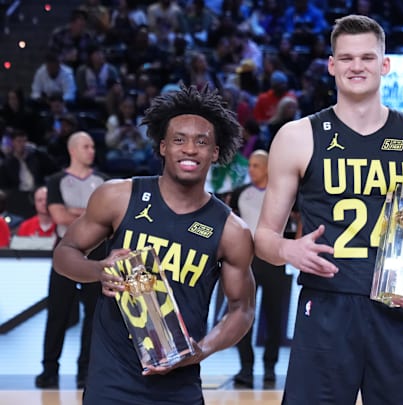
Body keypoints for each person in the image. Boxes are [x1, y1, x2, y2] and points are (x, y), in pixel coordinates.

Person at [253, 15, 403, 404]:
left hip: (394, 306)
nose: (357, 66)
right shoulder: (297, 136)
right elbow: (263, 237)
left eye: (367, 57)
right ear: (332, 65)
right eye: (347, 58)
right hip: (325, 305)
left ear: (385, 64)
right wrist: (288, 249)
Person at [51, 84, 256, 403]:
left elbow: (242, 310)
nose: (190, 149)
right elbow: (64, 254)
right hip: (111, 382)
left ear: (215, 152)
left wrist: (199, 351)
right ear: (162, 146)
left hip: (179, 386)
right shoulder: (117, 197)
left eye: (201, 142)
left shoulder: (231, 230)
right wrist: (98, 270)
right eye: (179, 139)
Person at [35, 132, 107, 389]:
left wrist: (74, 212)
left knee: (93, 316)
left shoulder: (103, 181)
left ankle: (85, 371)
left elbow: (105, 217)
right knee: (57, 314)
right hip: (65, 252)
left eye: (92, 146)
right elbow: (58, 215)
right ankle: (49, 370)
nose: (92, 150)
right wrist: (90, 214)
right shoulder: (56, 180)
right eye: (86, 146)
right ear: (73, 150)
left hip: (98, 254)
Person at [229, 149, 292, 388]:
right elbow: (232, 224)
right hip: (248, 260)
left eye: (256, 165)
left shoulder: (281, 194)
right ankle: (246, 368)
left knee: (274, 317)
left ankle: (270, 368)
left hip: (274, 262)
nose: (251, 169)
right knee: (243, 313)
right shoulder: (240, 193)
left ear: (267, 168)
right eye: (250, 165)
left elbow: (298, 219)